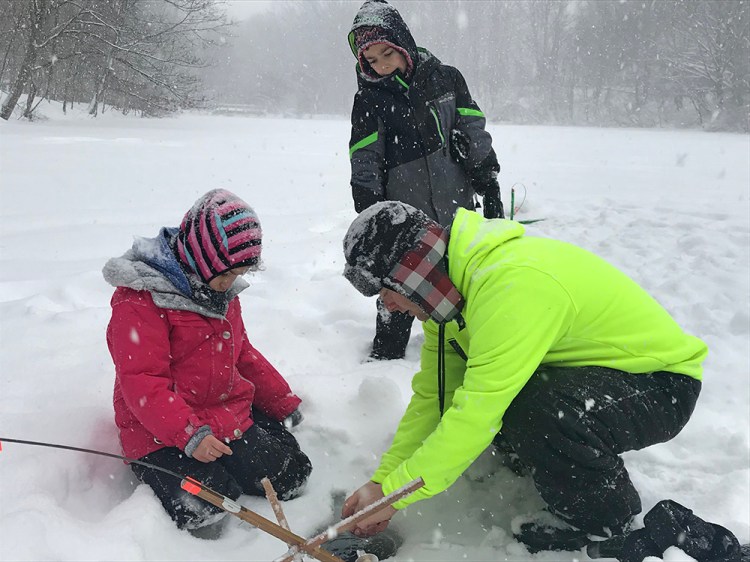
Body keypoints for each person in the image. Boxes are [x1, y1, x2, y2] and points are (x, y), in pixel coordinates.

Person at [340, 201, 707, 551]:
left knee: (535, 410)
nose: (385, 305)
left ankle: (602, 519)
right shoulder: (448, 307)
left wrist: (396, 496)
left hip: (659, 384)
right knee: (514, 402)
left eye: (385, 290)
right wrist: (383, 482)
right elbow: (435, 399)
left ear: (412, 272)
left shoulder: (511, 286)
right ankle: (559, 463)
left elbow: (476, 413)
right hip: (590, 376)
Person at [103, 189, 311, 532]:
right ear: (203, 258)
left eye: (239, 273)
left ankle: (247, 440)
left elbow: (241, 354)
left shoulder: (220, 293)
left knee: (291, 474)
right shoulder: (140, 301)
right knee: (206, 504)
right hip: (159, 432)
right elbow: (142, 381)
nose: (231, 283)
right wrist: (189, 434)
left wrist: (280, 399)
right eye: (227, 273)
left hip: (221, 415)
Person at [347, 0, 504, 361]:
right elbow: (365, 157)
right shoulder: (369, 99)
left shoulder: (447, 78)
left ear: (403, 42)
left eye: (388, 53)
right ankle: (385, 359)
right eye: (371, 60)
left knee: (461, 277)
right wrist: (371, 209)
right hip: (406, 214)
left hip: (456, 203)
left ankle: (468, 348)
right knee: (398, 285)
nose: (382, 65)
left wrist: (489, 182)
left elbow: (471, 129)